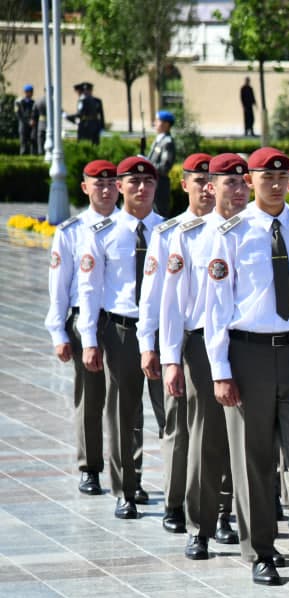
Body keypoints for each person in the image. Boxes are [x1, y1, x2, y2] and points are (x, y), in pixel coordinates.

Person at [203, 148, 289, 591]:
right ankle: (262, 552)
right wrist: (220, 368)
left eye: (284, 176)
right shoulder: (232, 234)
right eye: (267, 176)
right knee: (255, 461)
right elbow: (217, 306)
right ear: (248, 180)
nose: (276, 184)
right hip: (249, 355)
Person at [158, 153, 250, 559]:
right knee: (205, 439)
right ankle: (200, 526)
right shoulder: (190, 235)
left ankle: (234, 516)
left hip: (251, 344)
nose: (238, 189)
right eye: (228, 182)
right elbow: (172, 303)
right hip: (201, 347)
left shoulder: (259, 232)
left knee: (248, 440)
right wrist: (170, 357)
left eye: (242, 182)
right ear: (209, 187)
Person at [76, 156, 164, 519]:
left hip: (162, 332)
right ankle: (125, 488)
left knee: (171, 415)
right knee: (122, 413)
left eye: (148, 182)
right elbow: (88, 288)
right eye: (133, 182)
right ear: (119, 187)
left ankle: (177, 495)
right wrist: (89, 340)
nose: (141, 189)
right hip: (121, 330)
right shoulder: (103, 232)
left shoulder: (168, 230)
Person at [138, 152, 214, 536]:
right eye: (197, 181)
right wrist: (149, 347)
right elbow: (152, 298)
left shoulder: (231, 229)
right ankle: (174, 502)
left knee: (218, 429)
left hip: (225, 342)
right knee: (179, 426)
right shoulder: (168, 234)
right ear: (184, 185)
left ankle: (218, 505)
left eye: (210, 179)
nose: (206, 187)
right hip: (182, 341)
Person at [44, 159, 118, 497]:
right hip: (83, 320)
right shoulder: (71, 230)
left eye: (110, 183)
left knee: (126, 401)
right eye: (97, 184)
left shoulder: (132, 226)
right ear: (85, 188)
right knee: (90, 398)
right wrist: (58, 331)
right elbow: (59, 285)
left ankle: (127, 472)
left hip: (124, 321)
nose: (105, 189)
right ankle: (90, 466)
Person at [147, 111, 177, 217]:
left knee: (160, 213)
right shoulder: (159, 140)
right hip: (153, 181)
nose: (155, 123)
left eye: (157, 120)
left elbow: (164, 167)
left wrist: (148, 166)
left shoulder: (167, 142)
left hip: (160, 183)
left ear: (166, 124)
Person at [17, 85, 39, 155]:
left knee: (32, 140)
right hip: (23, 125)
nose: (32, 93)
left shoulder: (33, 102)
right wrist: (28, 121)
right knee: (23, 141)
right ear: (26, 92)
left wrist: (33, 120)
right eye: (30, 92)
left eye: (32, 91)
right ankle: (23, 154)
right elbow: (19, 115)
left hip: (31, 125)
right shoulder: (20, 102)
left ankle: (33, 154)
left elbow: (35, 113)